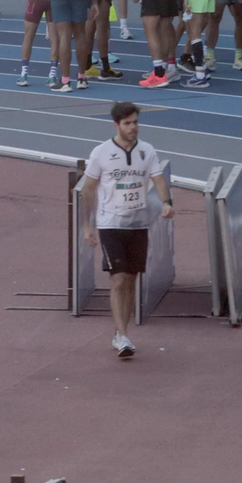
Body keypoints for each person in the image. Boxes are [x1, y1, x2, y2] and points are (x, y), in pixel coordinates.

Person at [81, 102, 174, 358]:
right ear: (116, 125)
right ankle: (122, 335)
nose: (133, 127)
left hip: (138, 223)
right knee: (118, 278)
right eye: (128, 123)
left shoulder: (147, 151)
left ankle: (122, 332)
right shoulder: (101, 152)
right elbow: (88, 189)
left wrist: (167, 202)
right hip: (110, 223)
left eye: (135, 122)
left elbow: (158, 179)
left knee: (131, 279)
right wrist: (86, 225)